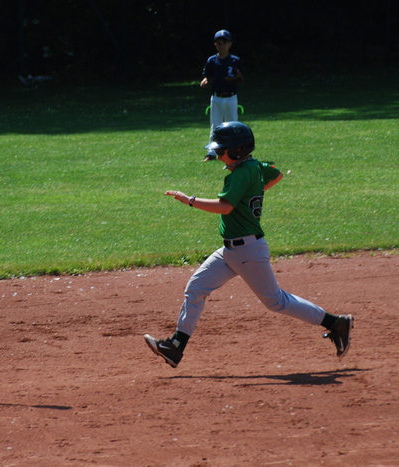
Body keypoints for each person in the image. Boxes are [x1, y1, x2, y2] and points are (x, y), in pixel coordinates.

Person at [144, 121, 353, 368]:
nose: (218, 154)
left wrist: (189, 200)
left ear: (237, 151)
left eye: (221, 150)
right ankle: (175, 347)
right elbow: (277, 174)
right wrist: (253, 190)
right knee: (196, 287)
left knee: (276, 301)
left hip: (247, 251)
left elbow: (225, 207)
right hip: (232, 251)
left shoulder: (240, 175)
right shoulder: (254, 167)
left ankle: (335, 323)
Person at [200, 29, 244, 159]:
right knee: (215, 125)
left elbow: (241, 79)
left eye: (224, 42)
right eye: (218, 43)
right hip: (217, 97)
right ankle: (212, 152)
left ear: (230, 44)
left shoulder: (234, 60)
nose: (221, 45)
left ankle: (235, 151)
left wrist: (237, 77)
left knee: (233, 125)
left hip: (230, 97)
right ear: (215, 45)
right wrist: (205, 80)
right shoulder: (212, 60)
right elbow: (207, 75)